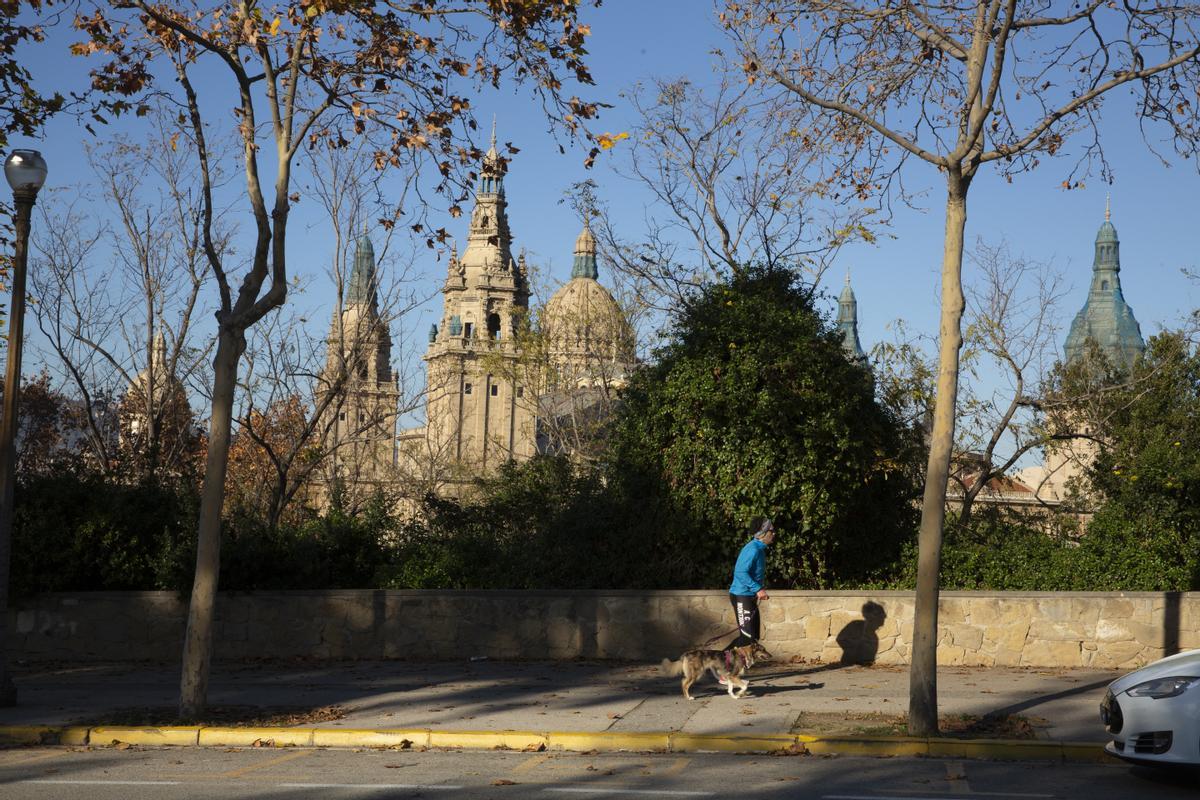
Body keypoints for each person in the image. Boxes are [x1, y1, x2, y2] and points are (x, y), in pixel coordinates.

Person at [728, 517, 774, 647]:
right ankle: (717, 663)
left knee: (752, 638)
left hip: (748, 597)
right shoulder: (752, 549)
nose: (774, 533)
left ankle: (723, 662)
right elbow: (740, 572)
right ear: (762, 534)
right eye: (772, 530)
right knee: (747, 638)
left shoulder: (759, 549)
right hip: (741, 595)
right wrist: (758, 589)